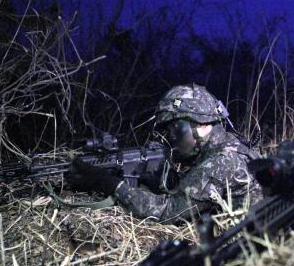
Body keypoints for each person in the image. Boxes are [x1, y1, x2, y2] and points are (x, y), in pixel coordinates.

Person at [69, 84, 262, 223]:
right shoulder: (226, 146)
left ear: (197, 126)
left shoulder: (220, 162)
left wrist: (111, 184)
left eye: (173, 130)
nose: (170, 138)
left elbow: (167, 212)